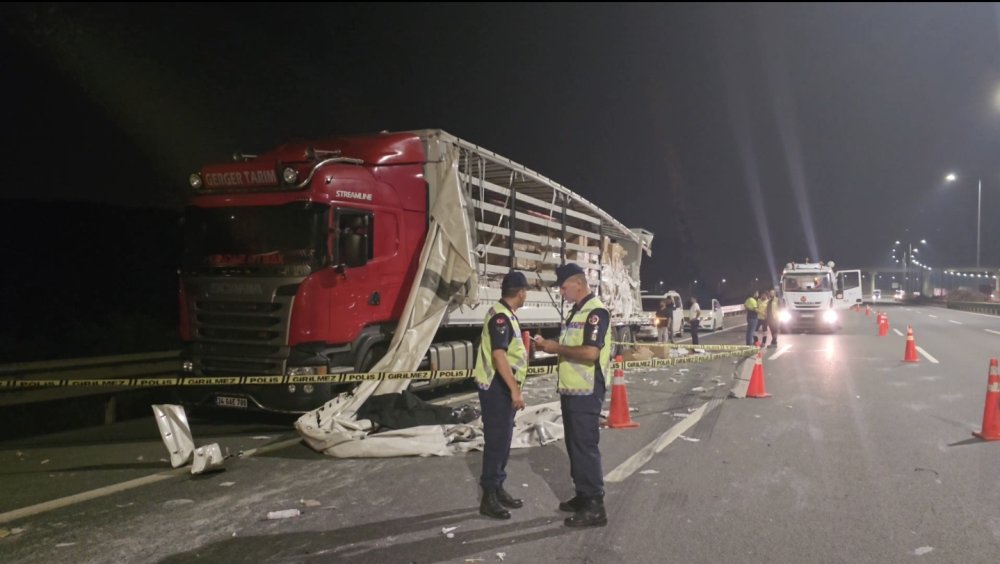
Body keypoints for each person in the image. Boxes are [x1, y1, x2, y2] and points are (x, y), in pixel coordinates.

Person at [534, 263, 611, 528]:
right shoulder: (577, 312)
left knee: (584, 447)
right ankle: (583, 495)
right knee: (574, 446)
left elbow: (590, 353)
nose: (562, 292)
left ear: (578, 283)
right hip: (572, 390)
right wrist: (550, 346)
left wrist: (555, 347)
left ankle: (595, 506)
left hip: (587, 391)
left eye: (564, 287)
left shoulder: (595, 313)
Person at [473, 271, 530, 520]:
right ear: (521, 293)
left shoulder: (505, 314)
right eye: (525, 292)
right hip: (497, 388)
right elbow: (499, 356)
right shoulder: (501, 319)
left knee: (503, 440)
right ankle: (489, 497)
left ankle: (498, 487)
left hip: (501, 386)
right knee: (497, 442)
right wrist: (515, 390)